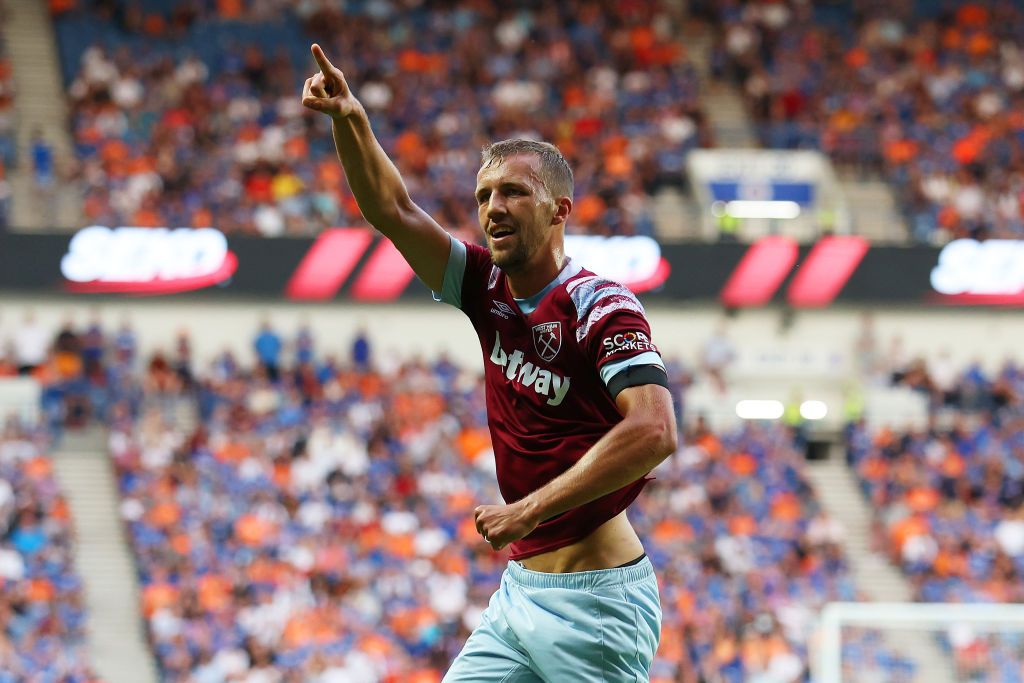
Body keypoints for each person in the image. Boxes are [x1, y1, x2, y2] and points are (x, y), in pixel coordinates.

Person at [302, 43, 677, 681]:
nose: (492, 208)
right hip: (520, 594)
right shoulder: (485, 287)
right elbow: (392, 211)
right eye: (483, 196)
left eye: (513, 193)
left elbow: (654, 431)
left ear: (559, 210)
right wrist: (351, 121)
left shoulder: (601, 307)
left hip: (597, 607)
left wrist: (527, 510)